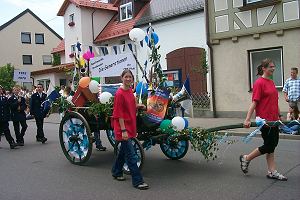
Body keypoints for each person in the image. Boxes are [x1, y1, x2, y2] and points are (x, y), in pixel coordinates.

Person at [241, 58, 288, 181]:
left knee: (272, 146)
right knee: (269, 145)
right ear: (264, 68)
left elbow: (275, 101)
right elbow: (254, 102)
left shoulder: (271, 82)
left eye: (274, 66)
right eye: (271, 67)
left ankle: (272, 171)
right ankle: (246, 158)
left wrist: (280, 115)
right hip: (265, 121)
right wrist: (247, 119)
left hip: (274, 120)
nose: (273, 68)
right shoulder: (259, 83)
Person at [111, 69, 149, 190]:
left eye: (130, 77)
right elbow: (118, 114)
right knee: (131, 155)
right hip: (123, 128)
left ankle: (116, 171)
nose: (128, 79)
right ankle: (137, 181)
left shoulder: (130, 92)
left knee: (123, 151)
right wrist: (123, 131)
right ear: (121, 78)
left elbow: (130, 106)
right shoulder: (119, 93)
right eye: (126, 77)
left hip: (130, 125)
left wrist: (139, 106)